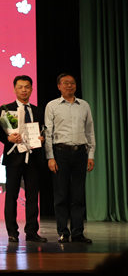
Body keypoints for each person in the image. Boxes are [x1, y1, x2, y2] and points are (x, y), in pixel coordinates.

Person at [0, 75, 48, 243]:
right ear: (14, 89)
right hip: (14, 158)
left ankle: (32, 232)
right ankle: (12, 232)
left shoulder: (38, 110)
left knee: (32, 196)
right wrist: (8, 138)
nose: (24, 90)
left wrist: (42, 139)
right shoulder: (6, 109)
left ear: (31, 89)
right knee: (11, 195)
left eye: (27, 87)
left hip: (34, 158)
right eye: (20, 87)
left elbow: (43, 131)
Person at [44, 73, 95, 243]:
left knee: (78, 195)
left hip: (80, 153)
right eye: (65, 83)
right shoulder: (52, 105)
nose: (69, 86)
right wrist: (50, 157)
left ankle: (78, 232)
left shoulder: (84, 105)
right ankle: (63, 232)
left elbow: (90, 132)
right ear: (59, 86)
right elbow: (48, 133)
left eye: (72, 83)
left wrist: (91, 155)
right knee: (61, 195)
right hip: (60, 153)